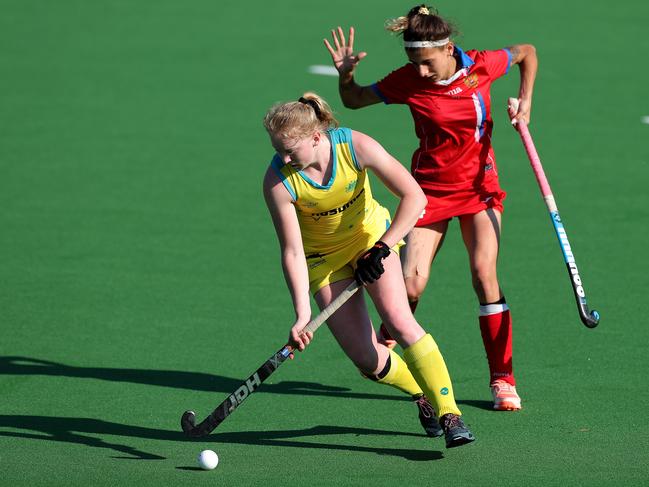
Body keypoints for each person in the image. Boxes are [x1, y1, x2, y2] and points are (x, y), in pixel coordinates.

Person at [324, 4, 538, 411]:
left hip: (480, 189)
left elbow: (526, 51)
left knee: (483, 275)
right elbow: (352, 102)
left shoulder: (482, 65)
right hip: (429, 192)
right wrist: (345, 74)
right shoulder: (407, 80)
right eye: (412, 63)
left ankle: (502, 380)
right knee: (411, 285)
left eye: (425, 62)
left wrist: (525, 102)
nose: (420, 71)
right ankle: (387, 344)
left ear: (448, 48)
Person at [263, 92, 475, 448]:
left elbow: (415, 197)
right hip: (323, 261)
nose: (283, 158)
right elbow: (293, 250)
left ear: (316, 138)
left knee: (399, 320)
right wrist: (302, 314)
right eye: (278, 150)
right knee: (366, 358)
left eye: (290, 151)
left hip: (370, 239)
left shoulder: (354, 146)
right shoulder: (279, 181)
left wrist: (383, 246)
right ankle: (420, 394)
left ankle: (450, 414)